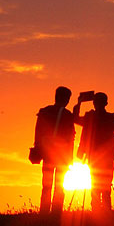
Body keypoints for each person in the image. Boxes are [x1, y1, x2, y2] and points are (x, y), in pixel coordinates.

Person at [33, 86, 84, 214]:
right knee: (59, 185)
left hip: (48, 152)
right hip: (62, 155)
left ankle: (44, 212)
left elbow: (38, 131)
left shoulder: (45, 111)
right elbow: (71, 136)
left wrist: (38, 147)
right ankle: (56, 212)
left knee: (46, 185)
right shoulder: (67, 115)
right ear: (66, 99)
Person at [77, 92, 114, 211]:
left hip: (96, 155)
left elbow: (75, 119)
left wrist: (79, 104)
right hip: (106, 155)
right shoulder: (110, 117)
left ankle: (97, 210)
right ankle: (105, 210)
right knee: (105, 183)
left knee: (97, 183)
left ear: (94, 103)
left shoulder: (90, 117)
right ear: (106, 103)